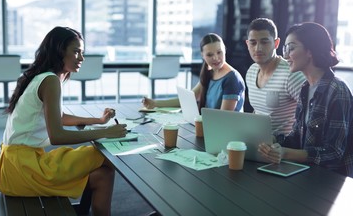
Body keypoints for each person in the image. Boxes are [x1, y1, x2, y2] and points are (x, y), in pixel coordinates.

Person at [0, 26, 128, 215]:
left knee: (104, 175)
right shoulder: (50, 81)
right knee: (101, 156)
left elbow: (60, 117)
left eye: (82, 53)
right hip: (25, 168)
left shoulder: (44, 77)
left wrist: (98, 120)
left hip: (15, 165)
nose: (81, 58)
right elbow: (56, 136)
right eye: (76, 52)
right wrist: (106, 133)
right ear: (59, 51)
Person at [258, 22, 353, 177]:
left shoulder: (338, 90)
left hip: (332, 181)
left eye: (291, 48)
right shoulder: (305, 88)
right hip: (307, 174)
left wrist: (285, 153)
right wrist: (272, 139)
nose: (285, 55)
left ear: (310, 51)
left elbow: (334, 154)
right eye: (285, 49)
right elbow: (297, 137)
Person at [142, 33, 245, 112]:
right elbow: (188, 99)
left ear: (225, 50)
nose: (216, 58)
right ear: (202, 55)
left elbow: (224, 119)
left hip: (225, 134)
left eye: (219, 52)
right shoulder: (210, 73)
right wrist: (154, 103)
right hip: (212, 129)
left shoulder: (232, 78)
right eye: (209, 55)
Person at [245, 18, 306, 136]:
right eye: (253, 43)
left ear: (276, 43)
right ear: (247, 44)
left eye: (264, 42)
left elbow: (310, 114)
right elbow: (258, 111)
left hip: (281, 149)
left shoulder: (291, 74)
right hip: (256, 142)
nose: (258, 48)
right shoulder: (251, 71)